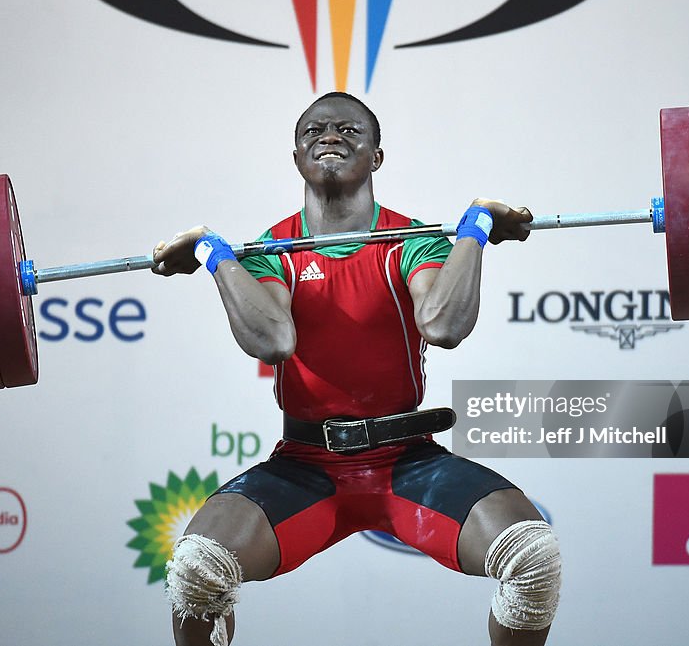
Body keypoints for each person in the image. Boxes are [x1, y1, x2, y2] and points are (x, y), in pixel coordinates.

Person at [151, 92, 561, 646]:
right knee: (198, 570)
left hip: (407, 463)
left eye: (349, 129)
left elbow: (442, 326)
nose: (330, 135)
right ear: (296, 157)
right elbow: (272, 339)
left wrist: (475, 228)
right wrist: (213, 253)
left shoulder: (411, 242)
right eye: (314, 130)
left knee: (531, 558)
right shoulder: (272, 250)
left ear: (376, 157)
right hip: (306, 467)